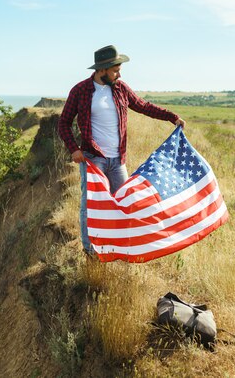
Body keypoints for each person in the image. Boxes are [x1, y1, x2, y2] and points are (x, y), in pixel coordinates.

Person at [57, 45, 186, 255]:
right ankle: (90, 251)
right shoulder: (80, 91)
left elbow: (144, 106)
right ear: (101, 70)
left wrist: (172, 117)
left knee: (123, 203)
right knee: (90, 207)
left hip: (118, 161)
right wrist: (74, 149)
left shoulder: (121, 88)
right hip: (93, 159)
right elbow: (63, 123)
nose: (119, 73)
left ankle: (117, 248)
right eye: (115, 69)